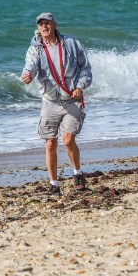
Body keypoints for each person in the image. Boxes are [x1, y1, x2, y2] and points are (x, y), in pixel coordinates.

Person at [21, 12, 92, 194]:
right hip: (50, 101)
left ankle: (77, 172)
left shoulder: (71, 43)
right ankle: (53, 184)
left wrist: (80, 87)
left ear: (54, 24)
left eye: (47, 23)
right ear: (38, 28)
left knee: (68, 140)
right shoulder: (35, 49)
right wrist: (28, 74)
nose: (44, 27)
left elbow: (85, 68)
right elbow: (31, 65)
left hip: (71, 100)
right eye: (40, 24)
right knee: (50, 143)